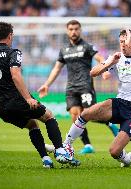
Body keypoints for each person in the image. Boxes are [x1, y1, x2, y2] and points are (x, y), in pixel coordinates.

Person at [0, 22, 75, 168]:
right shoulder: (13, 53)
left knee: (32, 124)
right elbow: (15, 75)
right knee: (48, 116)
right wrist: (28, 98)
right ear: (10, 36)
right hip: (16, 100)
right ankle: (60, 151)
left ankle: (46, 160)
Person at [62, 29, 131, 167]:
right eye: (121, 41)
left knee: (114, 151)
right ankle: (66, 146)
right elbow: (93, 73)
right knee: (86, 113)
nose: (123, 44)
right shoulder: (117, 58)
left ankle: (126, 159)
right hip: (120, 103)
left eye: (126, 41)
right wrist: (110, 63)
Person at [38, 20, 119, 154]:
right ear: (67, 31)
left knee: (88, 113)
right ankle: (88, 145)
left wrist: (105, 70)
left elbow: (100, 58)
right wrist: (47, 84)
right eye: (71, 29)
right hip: (71, 88)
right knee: (75, 116)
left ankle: (110, 123)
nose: (73, 31)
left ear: (80, 30)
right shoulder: (64, 50)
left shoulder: (87, 46)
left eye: (76, 29)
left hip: (85, 86)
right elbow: (57, 68)